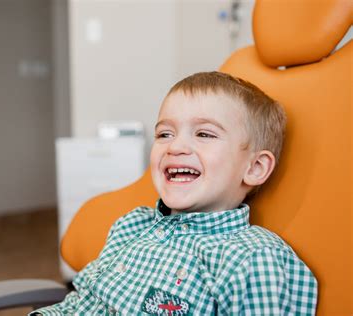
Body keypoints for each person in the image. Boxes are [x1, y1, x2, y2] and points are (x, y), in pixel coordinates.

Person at [30, 71, 318, 315]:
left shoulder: (252, 258)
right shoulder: (131, 225)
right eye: (165, 134)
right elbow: (81, 305)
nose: (175, 147)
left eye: (204, 134)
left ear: (255, 168)